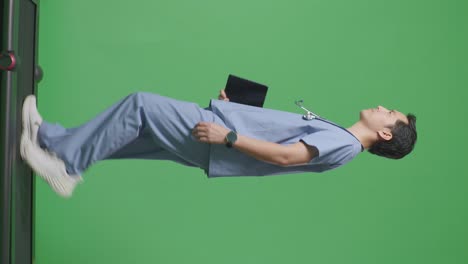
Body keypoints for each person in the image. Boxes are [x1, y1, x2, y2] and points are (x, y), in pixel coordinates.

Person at [20, 89, 417, 198]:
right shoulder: (342, 137)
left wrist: (228, 134)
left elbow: (284, 156)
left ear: (385, 133)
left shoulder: (345, 145)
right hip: (220, 136)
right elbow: (278, 137)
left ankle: (67, 168)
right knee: (135, 133)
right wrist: (238, 113)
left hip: (219, 138)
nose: (383, 107)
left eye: (391, 113)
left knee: (139, 106)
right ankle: (50, 139)